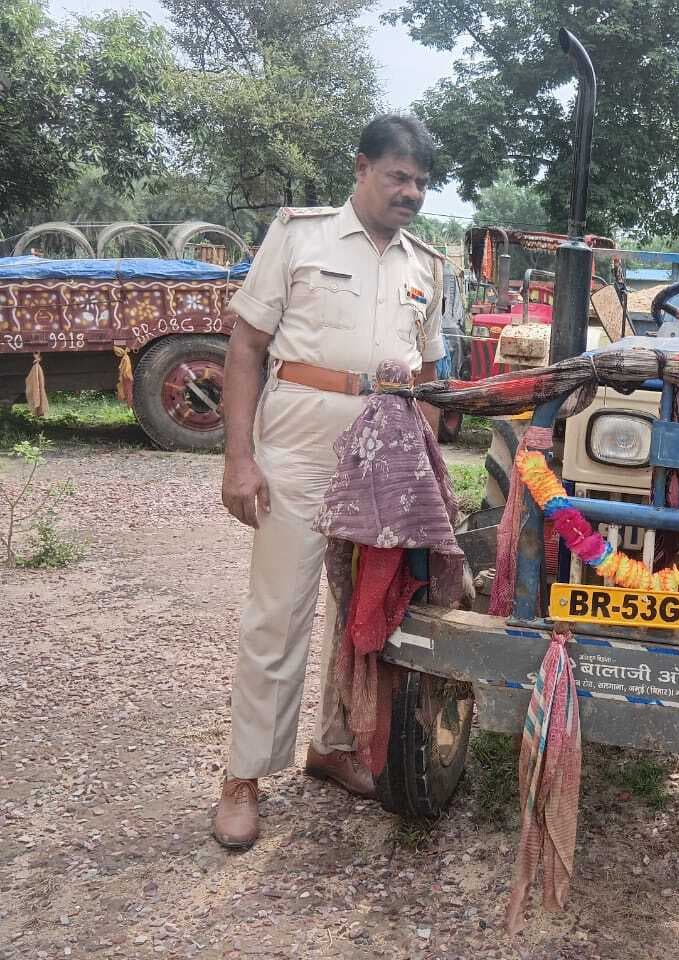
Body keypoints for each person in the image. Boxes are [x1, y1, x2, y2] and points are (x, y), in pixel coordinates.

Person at [212, 115, 446, 849]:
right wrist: (239, 458)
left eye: (421, 183)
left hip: (386, 455)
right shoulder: (300, 236)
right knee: (279, 612)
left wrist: (424, 471)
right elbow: (246, 347)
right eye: (399, 176)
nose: (411, 193)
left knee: (367, 610)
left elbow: (429, 374)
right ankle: (244, 777)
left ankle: (335, 746)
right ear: (362, 168)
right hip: (301, 442)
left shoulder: (426, 264)